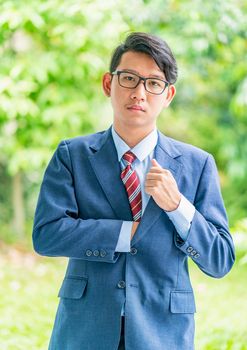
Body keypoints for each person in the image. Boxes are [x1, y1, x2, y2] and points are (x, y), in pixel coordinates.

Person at [32, 32, 235, 350]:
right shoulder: (72, 155)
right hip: (86, 328)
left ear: (168, 96)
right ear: (107, 84)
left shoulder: (198, 164)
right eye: (129, 78)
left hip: (163, 332)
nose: (139, 92)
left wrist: (177, 206)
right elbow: (47, 235)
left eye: (153, 83)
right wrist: (127, 234)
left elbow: (220, 260)